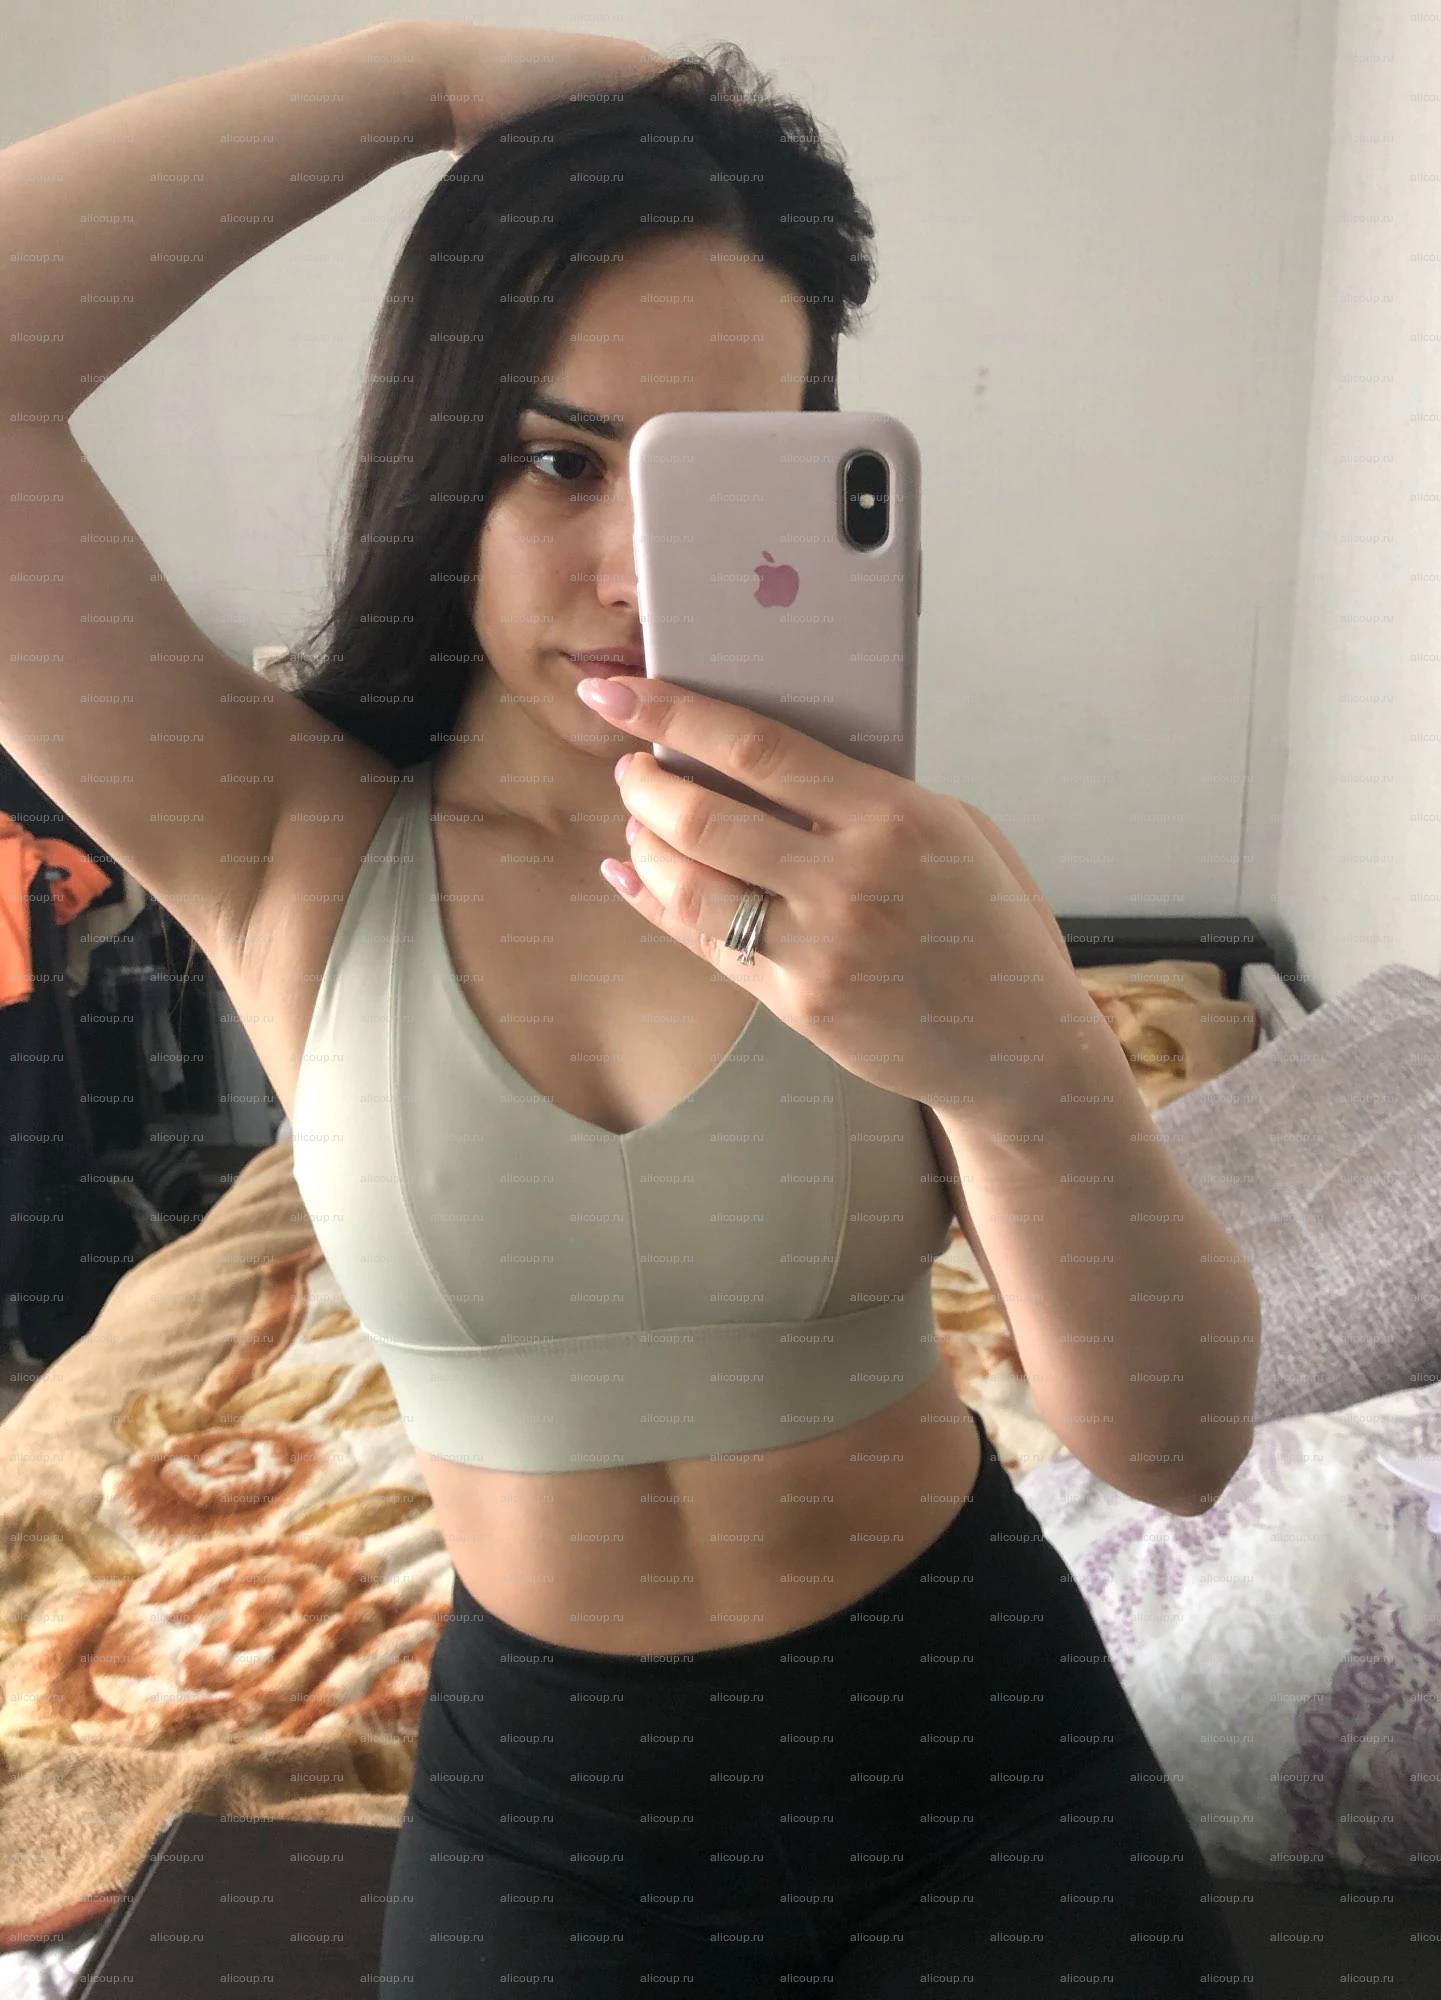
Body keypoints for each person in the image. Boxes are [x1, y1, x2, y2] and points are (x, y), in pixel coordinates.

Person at [0, 22, 1250, 1991]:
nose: (630, 572)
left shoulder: (912, 882)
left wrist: (1020, 1072)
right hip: (556, 1799)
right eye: (561, 459)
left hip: (971, 1743)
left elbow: (1173, 1446)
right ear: (447, 450)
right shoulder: (283, 845)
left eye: (706, 481)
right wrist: (422, 76)